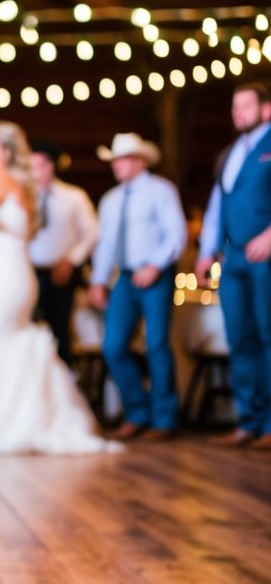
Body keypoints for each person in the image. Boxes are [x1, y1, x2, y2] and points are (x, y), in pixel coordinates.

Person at [0, 121, 119, 453]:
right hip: (10, 275)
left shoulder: (2, 182)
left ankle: (4, 423)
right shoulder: (20, 185)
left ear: (5, 153)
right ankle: (9, 419)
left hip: (6, 279)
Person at [87, 132, 187, 441]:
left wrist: (155, 265)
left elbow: (176, 234)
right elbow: (105, 244)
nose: (116, 165)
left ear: (140, 161)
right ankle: (137, 412)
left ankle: (164, 419)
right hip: (126, 278)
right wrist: (98, 280)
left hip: (156, 275)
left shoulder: (161, 191)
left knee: (157, 344)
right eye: (114, 160)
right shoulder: (111, 199)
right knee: (113, 346)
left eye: (122, 159)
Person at [196, 82, 271, 447]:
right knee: (239, 338)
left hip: (267, 254)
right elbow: (217, 206)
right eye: (234, 106)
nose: (238, 112)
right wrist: (207, 251)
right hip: (234, 257)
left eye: (245, 105)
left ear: (266, 109)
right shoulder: (229, 154)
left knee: (268, 335)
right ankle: (249, 421)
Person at [29, 139, 99, 366]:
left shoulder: (74, 197)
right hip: (29, 271)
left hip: (61, 272)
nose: (36, 172)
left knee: (60, 327)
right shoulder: (24, 197)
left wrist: (71, 260)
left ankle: (63, 378)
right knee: (27, 327)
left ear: (51, 166)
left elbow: (92, 232)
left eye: (40, 166)